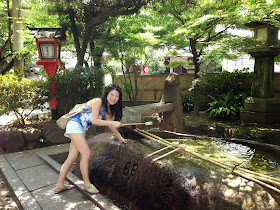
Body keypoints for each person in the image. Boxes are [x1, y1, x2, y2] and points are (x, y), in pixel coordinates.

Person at [54, 84, 127, 194]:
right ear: (107, 94)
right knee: (86, 153)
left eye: (117, 96)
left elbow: (110, 126)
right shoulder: (98, 101)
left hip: (79, 128)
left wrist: (120, 138)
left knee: (72, 157)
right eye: (112, 94)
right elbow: (94, 120)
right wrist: (113, 122)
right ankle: (87, 184)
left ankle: (59, 185)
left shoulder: (107, 110)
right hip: (74, 125)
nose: (114, 98)